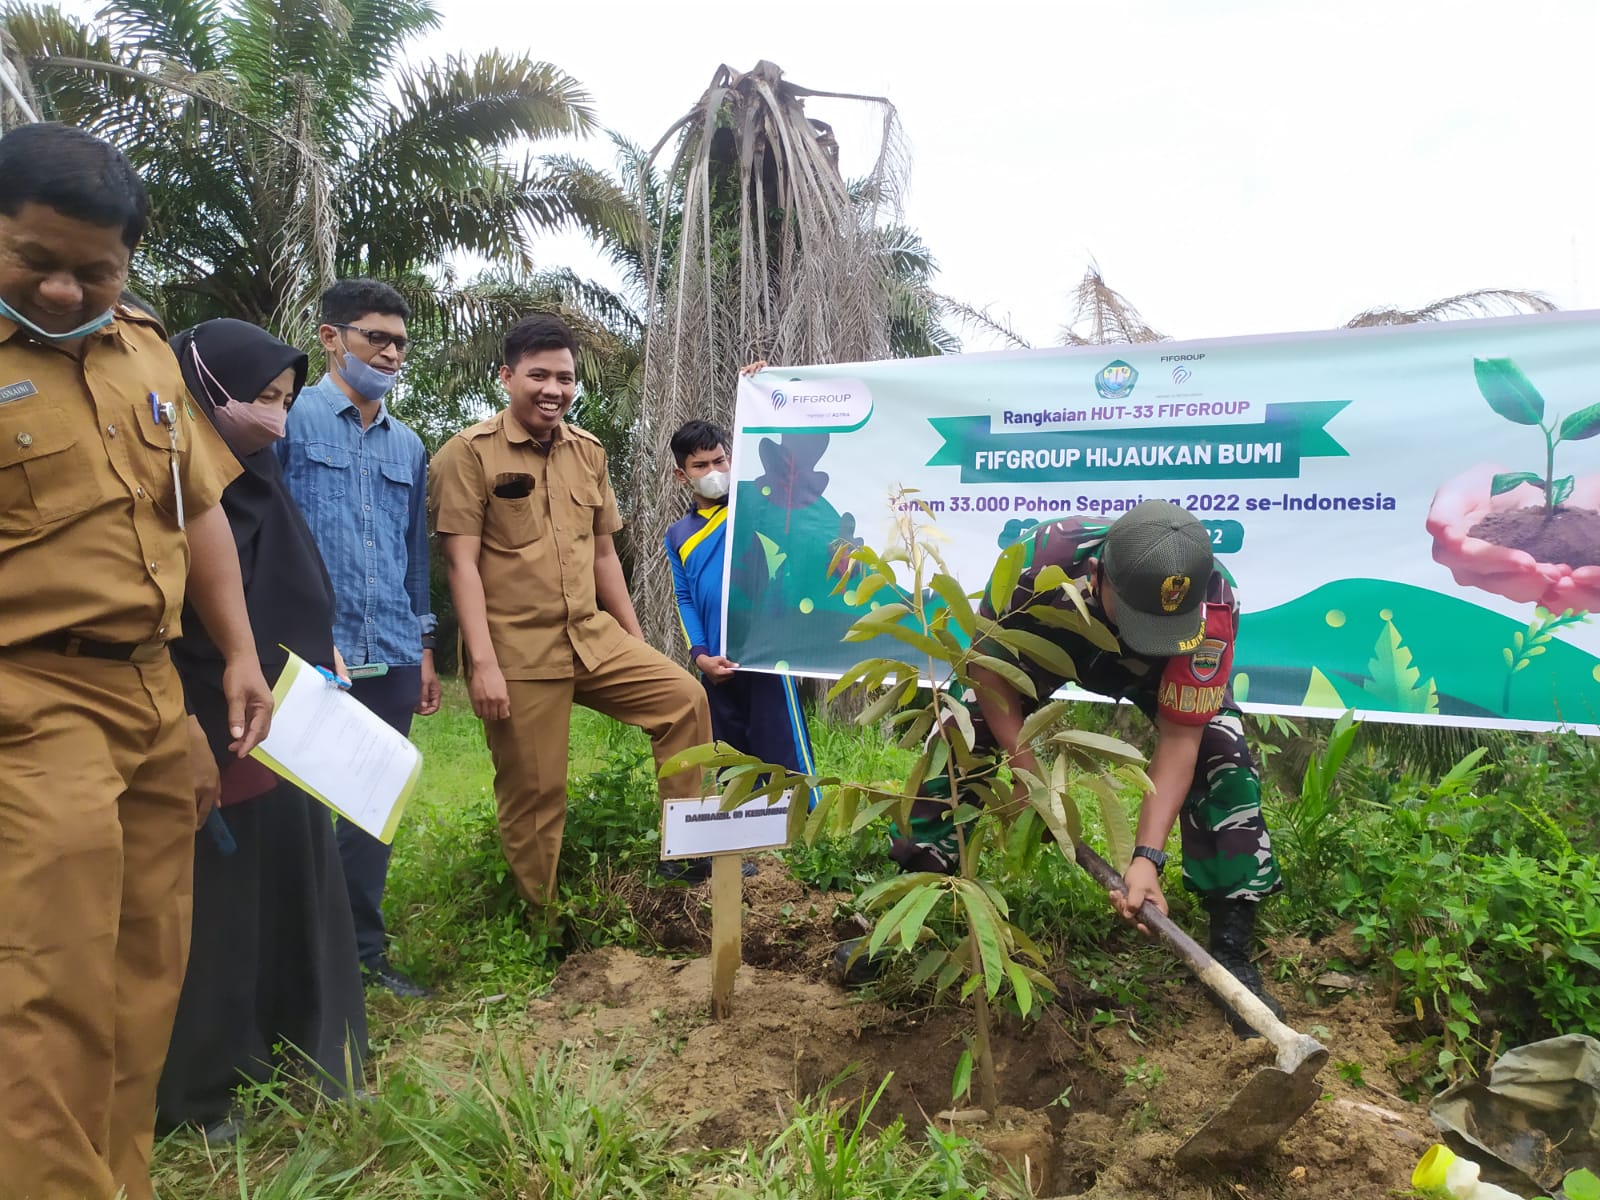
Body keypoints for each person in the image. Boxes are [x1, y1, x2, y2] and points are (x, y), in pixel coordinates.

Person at [0, 123, 272, 1200]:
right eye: (37, 263)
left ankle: (120, 1181)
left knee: (144, 971)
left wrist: (239, 657)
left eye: (95, 270)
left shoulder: (147, 350)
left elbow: (196, 508)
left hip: (157, 694)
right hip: (27, 696)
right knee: (46, 983)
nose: (66, 291)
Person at [865, 501, 1285, 1033]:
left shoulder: (1212, 604)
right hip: (1055, 643)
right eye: (1139, 619)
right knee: (959, 733)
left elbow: (1182, 736)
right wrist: (1029, 778)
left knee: (1223, 753)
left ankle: (1232, 946)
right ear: (1096, 574)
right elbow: (992, 681)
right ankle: (913, 898)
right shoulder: (1042, 564)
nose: (1144, 634)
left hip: (1158, 676)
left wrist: (1146, 859)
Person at [157, 318, 368, 1143]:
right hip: (215, 717)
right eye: (259, 398)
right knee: (221, 913)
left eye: (284, 398)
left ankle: (296, 1051)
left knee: (295, 890)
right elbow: (187, 614)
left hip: (294, 720)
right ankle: (204, 1088)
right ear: (203, 392)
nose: (275, 416)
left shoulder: (260, 478)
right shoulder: (179, 489)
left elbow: (292, 583)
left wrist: (322, 654)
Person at [429, 314, 712, 909]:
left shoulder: (588, 453)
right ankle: (542, 923)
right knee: (536, 793)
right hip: (518, 650)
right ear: (507, 376)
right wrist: (482, 665)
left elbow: (605, 554)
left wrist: (634, 642)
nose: (553, 389)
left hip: (592, 636)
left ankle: (686, 859)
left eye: (565, 377)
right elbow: (461, 566)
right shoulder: (467, 454)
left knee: (684, 700)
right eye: (538, 375)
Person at [277, 278, 439, 998]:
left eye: (400, 341)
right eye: (377, 337)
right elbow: (266, 540)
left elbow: (414, 556)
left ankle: (364, 955)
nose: (391, 352)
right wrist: (292, 635)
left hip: (394, 651)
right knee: (300, 814)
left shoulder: (409, 446)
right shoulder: (290, 420)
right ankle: (299, 968)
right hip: (315, 655)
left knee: (373, 809)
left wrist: (424, 646)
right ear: (331, 338)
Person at [662, 416, 818, 881]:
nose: (714, 469)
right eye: (701, 464)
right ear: (681, 474)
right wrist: (700, 655)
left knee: (781, 743)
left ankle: (805, 837)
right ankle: (742, 839)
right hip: (716, 663)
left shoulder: (756, 507)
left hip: (768, 651)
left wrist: (767, 393)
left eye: (720, 459)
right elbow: (685, 597)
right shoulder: (678, 534)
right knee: (731, 750)